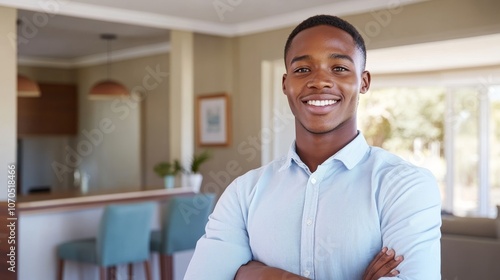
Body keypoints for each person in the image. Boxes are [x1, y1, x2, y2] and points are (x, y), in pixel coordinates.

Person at [184, 14, 441, 280]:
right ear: (286, 84)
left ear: (363, 82)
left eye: (339, 68)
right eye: (303, 70)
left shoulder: (404, 185)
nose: (319, 81)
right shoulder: (244, 192)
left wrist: (254, 274)